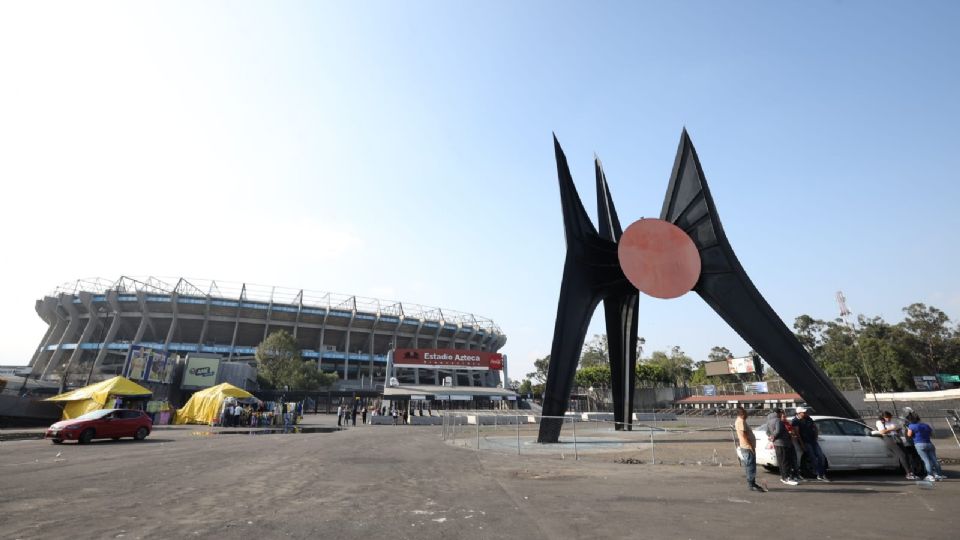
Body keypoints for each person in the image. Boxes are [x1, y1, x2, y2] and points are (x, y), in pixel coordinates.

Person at [876, 411, 917, 480]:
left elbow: (896, 428)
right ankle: (908, 473)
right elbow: (882, 432)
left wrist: (897, 429)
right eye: (886, 417)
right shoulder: (879, 422)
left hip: (896, 437)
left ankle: (911, 472)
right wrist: (892, 428)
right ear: (882, 417)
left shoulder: (891, 421)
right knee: (902, 455)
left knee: (906, 454)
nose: (888, 419)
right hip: (889, 438)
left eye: (889, 417)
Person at [792, 407, 828, 481]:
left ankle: (821, 474)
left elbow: (815, 427)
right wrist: (802, 444)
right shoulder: (795, 421)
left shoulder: (808, 418)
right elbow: (797, 434)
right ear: (799, 413)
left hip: (813, 441)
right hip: (806, 442)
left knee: (821, 456)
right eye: (803, 412)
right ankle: (819, 474)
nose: (805, 413)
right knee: (813, 458)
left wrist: (816, 437)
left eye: (805, 412)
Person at [734, 407, 765, 492]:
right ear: (742, 414)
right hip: (747, 447)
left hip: (746, 446)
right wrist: (750, 445)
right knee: (750, 466)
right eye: (745, 412)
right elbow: (744, 435)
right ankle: (751, 484)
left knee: (750, 465)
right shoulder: (740, 421)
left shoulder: (741, 421)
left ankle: (752, 483)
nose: (747, 414)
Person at [766, 408, 799, 486]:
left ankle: (783, 477)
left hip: (776, 444)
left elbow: (767, 431)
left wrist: (771, 436)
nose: (782, 414)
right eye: (781, 412)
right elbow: (778, 431)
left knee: (781, 461)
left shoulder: (769, 421)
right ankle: (786, 478)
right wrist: (774, 436)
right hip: (783, 443)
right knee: (785, 461)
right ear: (778, 413)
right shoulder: (778, 420)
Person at [906, 416, 945, 481]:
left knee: (926, 460)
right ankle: (939, 474)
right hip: (929, 444)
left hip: (919, 444)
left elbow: (909, 435)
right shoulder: (926, 425)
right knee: (934, 460)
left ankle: (930, 475)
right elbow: (932, 434)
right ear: (919, 419)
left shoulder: (911, 426)